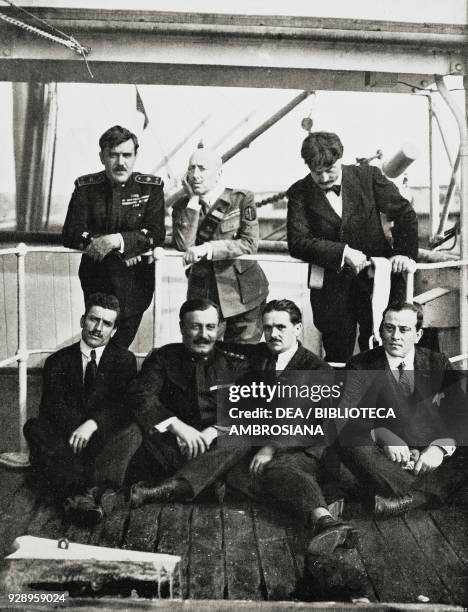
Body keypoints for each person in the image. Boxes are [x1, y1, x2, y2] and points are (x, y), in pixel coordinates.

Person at [226, 299, 358, 553]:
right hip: (261, 445)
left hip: (302, 448)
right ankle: (322, 505)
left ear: (298, 329)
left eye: (281, 327)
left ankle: (324, 520)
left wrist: (271, 447)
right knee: (241, 474)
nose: (273, 334)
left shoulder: (318, 368)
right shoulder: (257, 359)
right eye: (267, 328)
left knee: (279, 470)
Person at [287, 131, 418, 363]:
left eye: (331, 170)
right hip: (332, 289)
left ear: (341, 160)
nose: (325, 178)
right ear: (308, 167)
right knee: (337, 354)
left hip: (377, 282)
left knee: (381, 348)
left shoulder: (368, 176)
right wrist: (343, 253)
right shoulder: (299, 192)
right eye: (318, 173)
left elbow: (405, 214)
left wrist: (403, 253)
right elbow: (297, 242)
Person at [338, 301, 468, 517]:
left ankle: (408, 498)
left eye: (404, 330)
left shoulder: (437, 362)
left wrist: (440, 448)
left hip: (429, 455)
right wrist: (380, 433)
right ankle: (426, 494)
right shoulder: (360, 365)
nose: (395, 336)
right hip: (386, 459)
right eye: (389, 328)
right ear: (381, 331)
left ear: (418, 335)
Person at [24, 293, 140, 525]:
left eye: (106, 323)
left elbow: (123, 406)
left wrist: (93, 424)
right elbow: (53, 407)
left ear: (114, 330)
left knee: (133, 428)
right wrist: (79, 429)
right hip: (69, 437)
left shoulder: (124, 360)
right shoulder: (58, 361)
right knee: (34, 427)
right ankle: (88, 491)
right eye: (93, 320)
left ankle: (75, 491)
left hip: (103, 437)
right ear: (82, 321)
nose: (98, 328)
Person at [127, 298, 250, 506]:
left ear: (220, 328)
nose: (204, 335)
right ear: (182, 327)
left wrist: (213, 431)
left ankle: (171, 489)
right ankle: (195, 485)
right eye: (195, 327)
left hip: (214, 451)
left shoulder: (235, 364)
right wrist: (178, 427)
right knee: (134, 428)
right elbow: (141, 396)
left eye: (210, 327)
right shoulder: (163, 358)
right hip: (172, 447)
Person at [62, 125, 166, 348]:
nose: (121, 162)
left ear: (135, 156)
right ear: (102, 157)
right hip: (97, 279)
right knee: (96, 342)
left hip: (135, 284)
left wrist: (117, 241)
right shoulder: (85, 188)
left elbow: (156, 231)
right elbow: (71, 231)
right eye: (114, 155)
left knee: (118, 348)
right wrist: (117, 248)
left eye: (127, 155)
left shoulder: (151, 188)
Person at [172, 146, 268, 343]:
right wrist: (193, 201)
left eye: (202, 168)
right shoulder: (182, 206)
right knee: (204, 356)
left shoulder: (241, 200)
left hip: (244, 295)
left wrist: (208, 249)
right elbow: (183, 244)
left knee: (243, 359)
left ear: (218, 173)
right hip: (205, 296)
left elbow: (249, 243)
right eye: (191, 168)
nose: (195, 175)